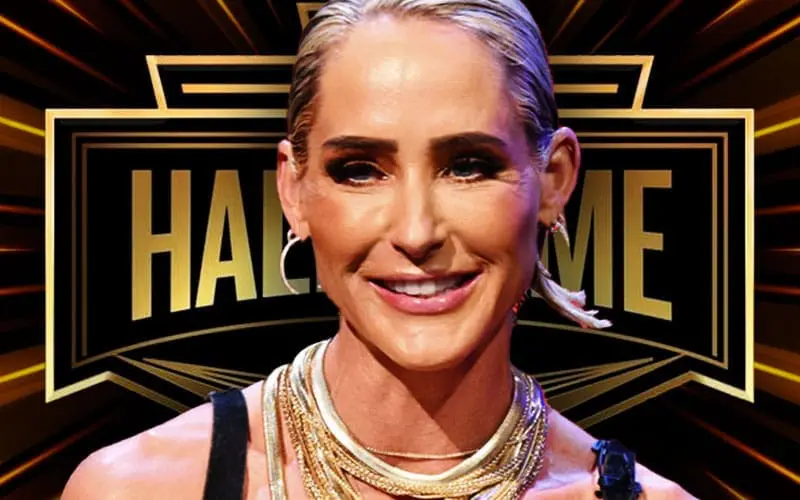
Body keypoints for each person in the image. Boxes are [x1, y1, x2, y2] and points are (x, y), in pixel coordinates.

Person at [62, 0, 694, 498]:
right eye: (359, 170)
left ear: (554, 180)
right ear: (294, 190)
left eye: (468, 165)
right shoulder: (135, 489)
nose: (416, 232)